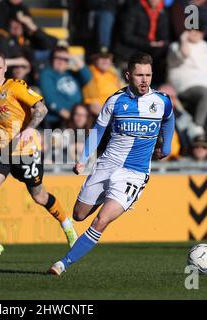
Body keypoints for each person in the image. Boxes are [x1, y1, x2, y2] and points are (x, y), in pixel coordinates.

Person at [48, 52, 175, 275]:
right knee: (79, 214)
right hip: (107, 165)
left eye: (148, 75)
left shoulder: (161, 100)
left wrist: (166, 147)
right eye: (139, 75)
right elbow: (98, 131)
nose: (144, 80)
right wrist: (83, 158)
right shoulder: (115, 101)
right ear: (128, 75)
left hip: (134, 174)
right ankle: (105, 196)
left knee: (101, 220)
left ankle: (62, 264)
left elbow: (169, 118)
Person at [0, 51, 78, 261]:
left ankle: (67, 225)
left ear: (5, 68)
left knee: (39, 196)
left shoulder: (16, 86)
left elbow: (41, 108)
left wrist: (29, 129)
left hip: (25, 151)